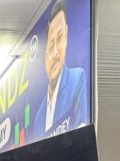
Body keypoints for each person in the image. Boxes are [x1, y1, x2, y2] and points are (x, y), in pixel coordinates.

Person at [32, 0, 88, 140]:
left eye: (60, 38)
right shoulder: (39, 118)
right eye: (51, 45)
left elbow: (83, 132)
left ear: (67, 36)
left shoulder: (77, 80)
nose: (56, 52)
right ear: (45, 54)